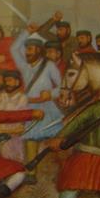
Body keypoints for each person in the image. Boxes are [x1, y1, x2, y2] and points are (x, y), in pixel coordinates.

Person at [11, 26, 64, 181]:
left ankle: (61, 171)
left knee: (56, 138)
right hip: (30, 107)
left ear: (39, 50)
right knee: (30, 139)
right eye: (26, 48)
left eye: (30, 49)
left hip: (48, 108)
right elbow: (14, 49)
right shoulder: (24, 66)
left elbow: (62, 86)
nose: (27, 52)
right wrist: (26, 32)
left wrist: (50, 94)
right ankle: (31, 173)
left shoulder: (49, 66)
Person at [0, 69, 28, 162]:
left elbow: (23, 127)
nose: (7, 83)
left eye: (10, 80)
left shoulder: (23, 99)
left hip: (17, 142)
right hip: (1, 142)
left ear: (17, 82)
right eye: (5, 81)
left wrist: (4, 131)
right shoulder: (1, 97)